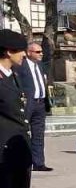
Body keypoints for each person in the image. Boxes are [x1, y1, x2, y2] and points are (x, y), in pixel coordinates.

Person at [0, 30, 36, 188]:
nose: (24, 54)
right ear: (7, 52)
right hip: (2, 153)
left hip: (19, 152)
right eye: (20, 50)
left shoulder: (15, 75)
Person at [19, 40, 51, 171]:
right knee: (24, 132)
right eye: (38, 52)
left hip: (40, 103)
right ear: (28, 52)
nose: (41, 54)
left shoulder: (40, 65)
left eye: (41, 51)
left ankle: (38, 163)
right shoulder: (21, 66)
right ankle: (24, 162)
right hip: (28, 103)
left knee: (38, 134)